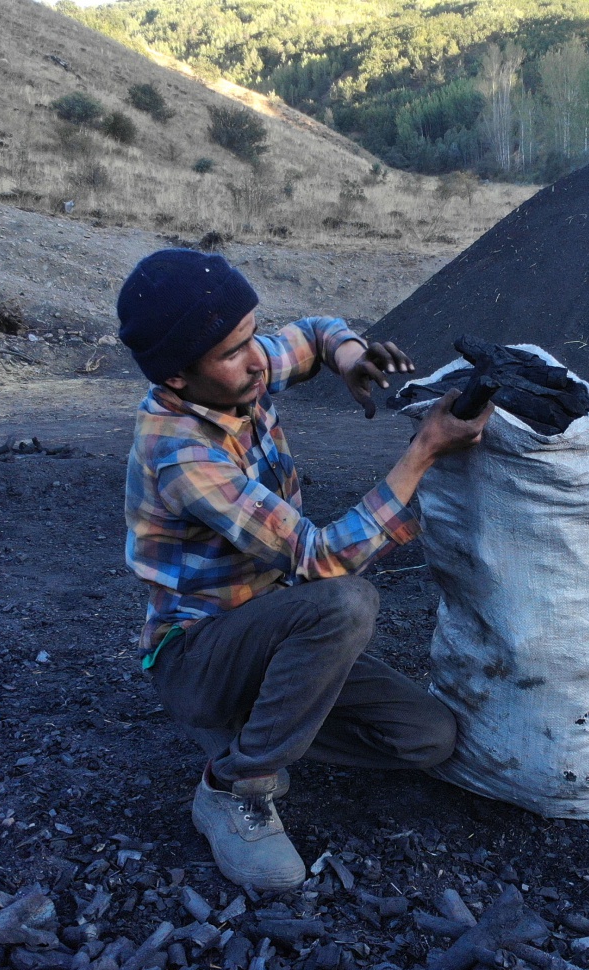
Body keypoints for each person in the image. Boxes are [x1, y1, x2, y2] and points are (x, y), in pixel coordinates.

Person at [116, 249, 493, 890]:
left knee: (427, 738)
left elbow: (317, 331)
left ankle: (252, 731)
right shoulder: (181, 453)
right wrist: (425, 449)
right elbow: (321, 560)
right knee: (345, 605)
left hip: (272, 633)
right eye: (234, 350)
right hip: (200, 653)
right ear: (178, 377)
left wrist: (349, 357)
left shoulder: (241, 372)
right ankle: (232, 785)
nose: (257, 356)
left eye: (252, 335)